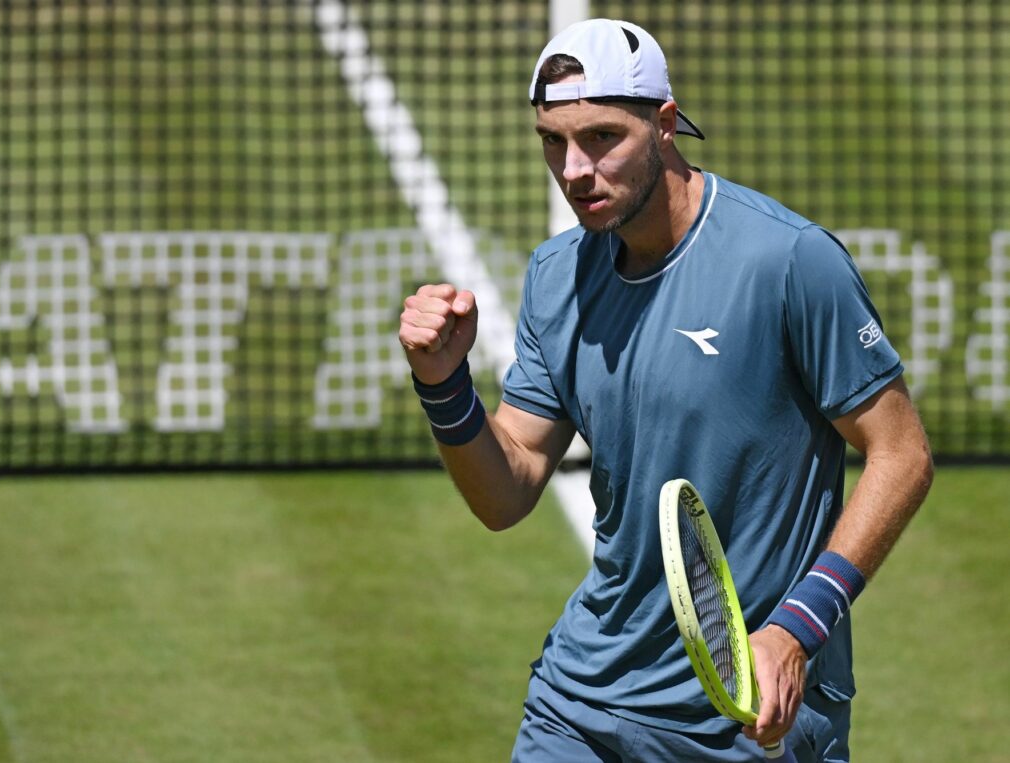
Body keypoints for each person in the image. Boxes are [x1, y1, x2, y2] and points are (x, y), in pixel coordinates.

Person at [398, 17, 933, 763]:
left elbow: (901, 454)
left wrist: (796, 627)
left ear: (665, 125)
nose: (574, 168)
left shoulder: (787, 262)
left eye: (601, 137)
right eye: (553, 140)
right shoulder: (559, 276)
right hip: (582, 698)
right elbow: (507, 489)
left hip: (747, 714)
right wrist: (443, 385)